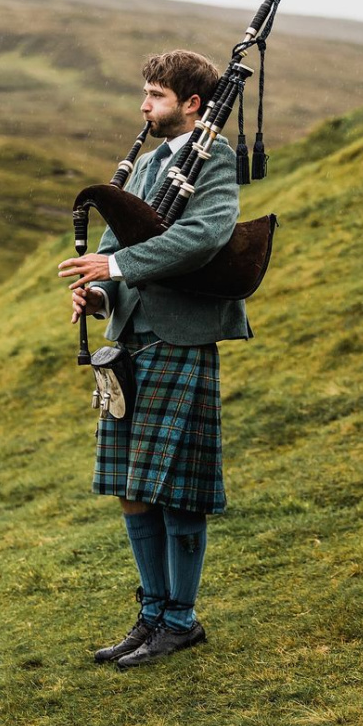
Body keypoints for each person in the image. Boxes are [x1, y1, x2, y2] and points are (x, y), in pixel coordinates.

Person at [57, 49, 251, 670]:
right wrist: (99, 291)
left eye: (156, 96)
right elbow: (119, 243)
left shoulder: (214, 158)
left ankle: (181, 620)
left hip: (181, 336)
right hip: (131, 339)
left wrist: (116, 266)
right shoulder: (143, 168)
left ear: (192, 104)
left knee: (177, 489)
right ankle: (152, 614)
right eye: (145, 93)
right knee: (132, 488)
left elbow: (204, 237)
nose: (144, 106)